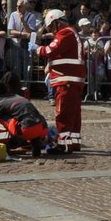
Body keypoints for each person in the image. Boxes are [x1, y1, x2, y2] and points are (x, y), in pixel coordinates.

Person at [35, 8, 86, 153]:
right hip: (73, 79)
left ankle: (63, 144)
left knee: (63, 113)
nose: (51, 31)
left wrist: (37, 49)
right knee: (74, 114)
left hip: (66, 79)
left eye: (51, 27)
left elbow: (51, 50)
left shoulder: (65, 32)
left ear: (58, 23)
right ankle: (73, 143)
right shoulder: (72, 32)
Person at [0, 71, 51, 156]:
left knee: (0, 117)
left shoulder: (0, 103)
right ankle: (35, 143)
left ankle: (7, 146)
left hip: (27, 130)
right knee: (28, 119)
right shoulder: (18, 97)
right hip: (43, 128)